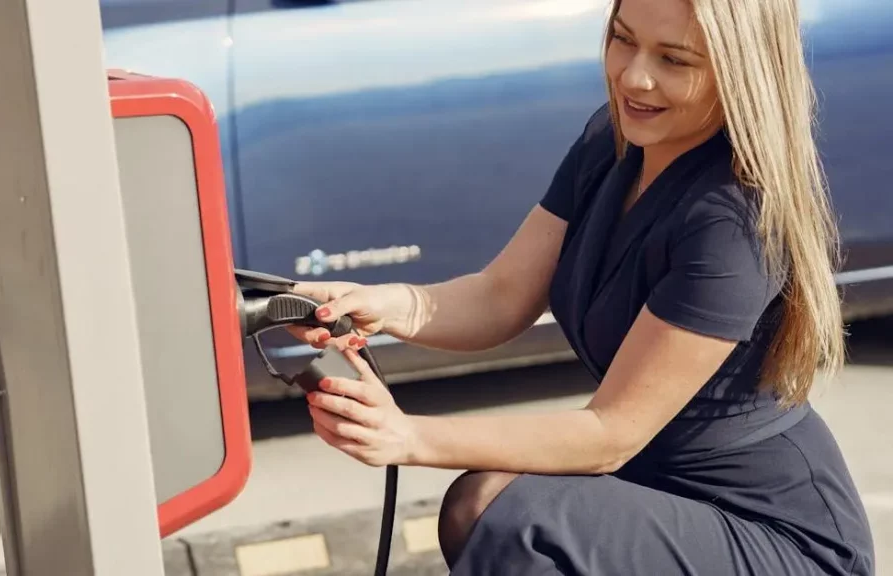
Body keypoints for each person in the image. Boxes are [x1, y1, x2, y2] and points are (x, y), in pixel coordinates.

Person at [286, 0, 875, 573]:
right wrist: (381, 305)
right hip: (654, 485)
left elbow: (609, 434)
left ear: (740, 70)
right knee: (481, 505)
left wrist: (407, 436)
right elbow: (501, 297)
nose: (634, 77)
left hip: (769, 531)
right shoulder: (613, 140)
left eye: (675, 60)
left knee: (510, 514)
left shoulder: (733, 221)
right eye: (623, 39)